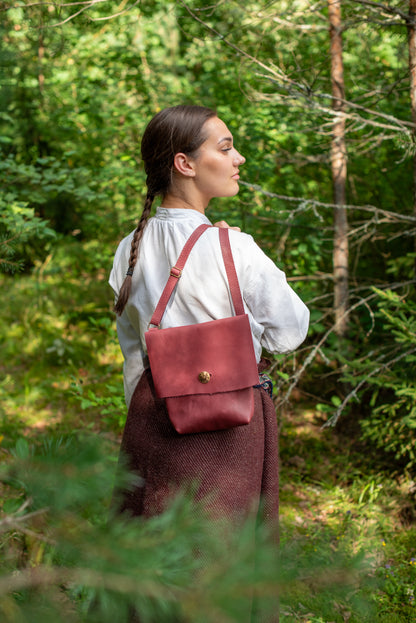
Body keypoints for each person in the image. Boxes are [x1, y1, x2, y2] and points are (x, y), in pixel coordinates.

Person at [109, 104, 309, 621]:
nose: (238, 158)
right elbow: (291, 330)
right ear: (185, 163)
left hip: (151, 416)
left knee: (150, 556)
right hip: (231, 425)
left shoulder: (129, 247)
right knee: (224, 560)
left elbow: (133, 347)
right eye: (224, 147)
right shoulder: (235, 248)